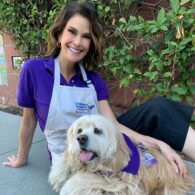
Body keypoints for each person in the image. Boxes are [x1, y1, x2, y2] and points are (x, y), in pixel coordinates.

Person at [2, 2, 195, 177]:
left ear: (91, 44)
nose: (78, 42)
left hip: (101, 146)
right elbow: (28, 121)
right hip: (70, 157)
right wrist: (21, 158)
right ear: (59, 34)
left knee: (159, 108)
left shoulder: (93, 81)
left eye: (86, 37)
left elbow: (113, 125)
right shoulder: (34, 70)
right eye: (72, 32)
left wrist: (160, 145)